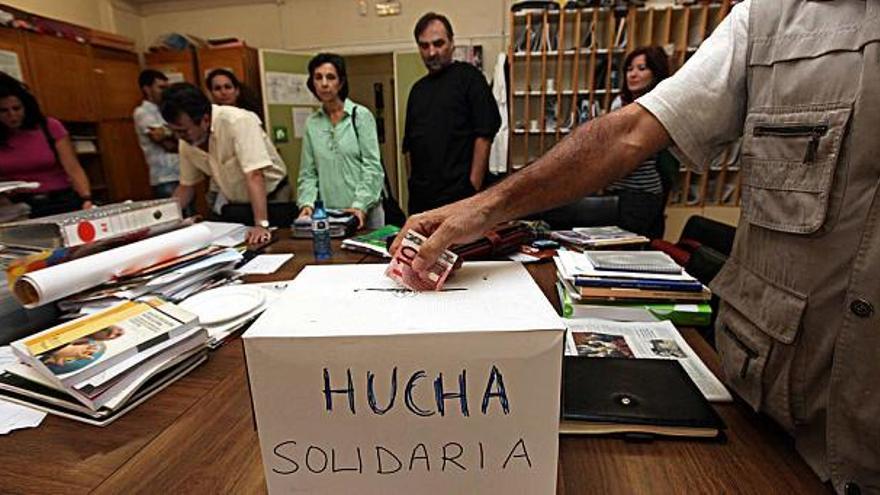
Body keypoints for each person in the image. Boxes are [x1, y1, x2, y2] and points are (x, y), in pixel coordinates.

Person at [393, 1, 879, 492]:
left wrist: (482, 200)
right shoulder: (770, 19)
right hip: (766, 410)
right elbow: (628, 133)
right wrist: (486, 207)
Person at [160, 82, 289, 246]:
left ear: (205, 120)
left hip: (273, 199)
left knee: (275, 246)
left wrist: (261, 225)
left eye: (183, 131)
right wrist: (162, 222)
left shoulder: (238, 121)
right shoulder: (186, 141)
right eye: (174, 131)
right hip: (237, 204)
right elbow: (186, 186)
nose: (179, 137)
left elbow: (254, 174)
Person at [403, 12, 501, 214]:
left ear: (452, 43)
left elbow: (484, 134)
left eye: (438, 44)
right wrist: (412, 186)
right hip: (423, 202)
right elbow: (408, 147)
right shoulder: (417, 91)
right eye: (424, 46)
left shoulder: (469, 78)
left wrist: (472, 190)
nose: (431, 52)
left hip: (461, 198)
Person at [296, 53, 385, 230]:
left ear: (341, 82)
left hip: (364, 210)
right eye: (318, 77)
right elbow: (308, 173)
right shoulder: (312, 123)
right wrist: (307, 204)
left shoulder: (360, 116)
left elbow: (372, 167)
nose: (324, 84)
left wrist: (360, 205)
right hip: (330, 215)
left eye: (330, 77)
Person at [0, 72, 92, 217]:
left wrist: (86, 199)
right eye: (3, 111)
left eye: (17, 108)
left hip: (60, 199)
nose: (12, 115)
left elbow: (73, 168)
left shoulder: (49, 127)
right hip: (16, 207)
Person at [606, 46, 672, 239]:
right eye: (629, 69)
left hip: (641, 192)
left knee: (630, 247)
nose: (633, 75)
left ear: (656, 72)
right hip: (616, 188)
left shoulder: (658, 106)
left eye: (642, 69)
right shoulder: (620, 103)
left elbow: (629, 149)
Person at [133, 69, 180, 199]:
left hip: (180, 175)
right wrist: (177, 134)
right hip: (164, 177)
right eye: (161, 88)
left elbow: (177, 138)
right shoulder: (142, 112)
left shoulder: (165, 110)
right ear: (147, 89)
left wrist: (168, 131)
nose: (165, 92)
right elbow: (163, 141)